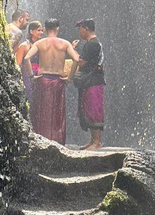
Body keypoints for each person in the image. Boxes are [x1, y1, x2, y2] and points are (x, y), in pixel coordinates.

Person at [24, 19, 79, 145]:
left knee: (42, 110)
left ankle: (41, 141)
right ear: (58, 28)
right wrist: (69, 78)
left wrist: (32, 76)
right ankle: (58, 141)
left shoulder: (40, 43)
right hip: (58, 80)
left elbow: (27, 58)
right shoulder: (64, 44)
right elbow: (76, 59)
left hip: (43, 80)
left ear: (45, 28)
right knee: (57, 111)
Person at [71, 19, 105, 150]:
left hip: (94, 81)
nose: (79, 32)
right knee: (89, 110)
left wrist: (72, 50)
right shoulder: (93, 43)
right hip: (91, 80)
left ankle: (97, 142)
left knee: (94, 110)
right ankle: (92, 141)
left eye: (80, 29)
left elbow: (81, 62)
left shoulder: (92, 44)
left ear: (86, 29)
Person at [15, 20, 43, 103]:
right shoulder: (24, 46)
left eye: (42, 30)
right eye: (39, 30)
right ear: (31, 31)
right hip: (27, 75)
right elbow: (18, 64)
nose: (41, 32)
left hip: (39, 75)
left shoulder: (42, 45)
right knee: (29, 97)